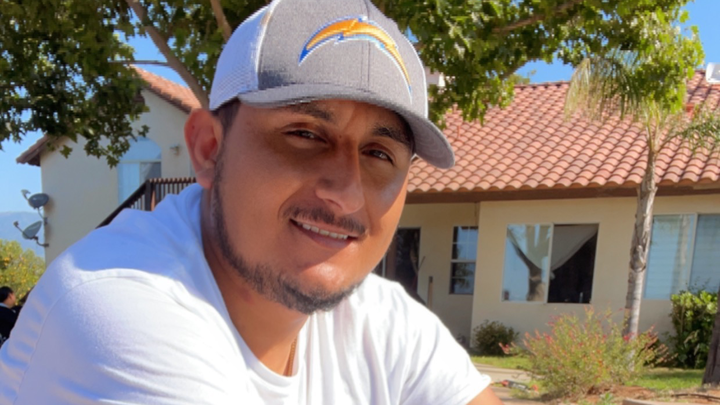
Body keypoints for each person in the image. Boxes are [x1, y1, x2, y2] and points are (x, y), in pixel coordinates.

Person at [0, 0, 502, 403]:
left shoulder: (382, 321)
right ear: (208, 149)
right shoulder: (116, 305)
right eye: (305, 134)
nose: (347, 192)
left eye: (379, 153)